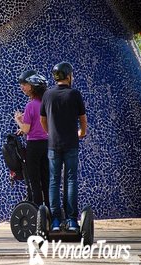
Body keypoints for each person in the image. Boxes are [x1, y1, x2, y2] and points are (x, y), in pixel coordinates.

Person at [40, 62, 87, 231]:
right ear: (68, 76)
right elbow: (83, 119)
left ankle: (55, 221)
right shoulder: (75, 94)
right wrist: (81, 132)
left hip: (53, 144)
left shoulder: (47, 95)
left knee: (53, 181)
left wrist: (50, 133)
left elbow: (43, 120)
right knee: (71, 180)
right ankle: (72, 220)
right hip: (71, 144)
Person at [14, 72, 49, 208]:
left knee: (34, 180)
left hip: (33, 146)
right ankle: (50, 210)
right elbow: (40, 124)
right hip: (47, 144)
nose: (22, 87)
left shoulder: (30, 106)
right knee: (46, 179)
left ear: (32, 86)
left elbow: (27, 129)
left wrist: (18, 121)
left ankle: (38, 208)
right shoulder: (45, 104)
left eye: (24, 84)